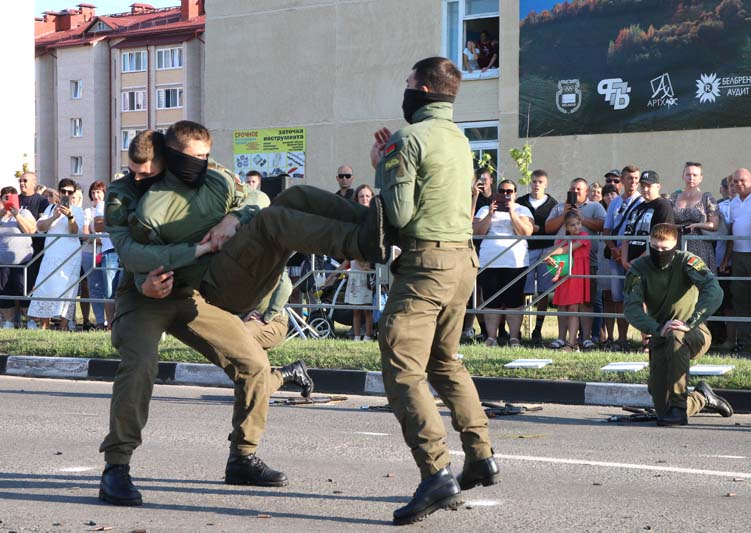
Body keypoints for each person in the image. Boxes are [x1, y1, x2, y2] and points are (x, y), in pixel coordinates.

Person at [98, 130, 315, 506]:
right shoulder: (122, 195)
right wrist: (189, 253)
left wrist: (234, 216)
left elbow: (257, 197)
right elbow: (131, 253)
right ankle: (116, 467)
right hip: (145, 295)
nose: (137, 179)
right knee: (140, 364)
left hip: (193, 295)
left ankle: (242, 458)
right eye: (133, 171)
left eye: (145, 173)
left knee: (253, 364)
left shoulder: (205, 174)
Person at [370, 57, 498, 526]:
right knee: (444, 361)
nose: (403, 91)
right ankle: (480, 454)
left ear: (422, 88)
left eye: (407, 84)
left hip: (425, 265)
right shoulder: (460, 138)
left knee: (403, 366)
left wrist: (383, 165)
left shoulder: (409, 139)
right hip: (462, 261)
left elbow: (398, 214)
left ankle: (436, 470)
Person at [623, 223, 732, 426]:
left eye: (665, 248)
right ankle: (702, 397)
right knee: (662, 408)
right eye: (655, 247)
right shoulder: (640, 268)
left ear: (675, 245)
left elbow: (714, 290)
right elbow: (632, 307)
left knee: (676, 335)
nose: (660, 252)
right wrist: (655, 328)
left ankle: (680, 407)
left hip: (694, 332)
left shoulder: (687, 261)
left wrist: (691, 323)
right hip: (660, 334)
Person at [545, 178, 606, 350]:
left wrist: (581, 218)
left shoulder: (595, 207)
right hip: (564, 268)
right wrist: (564, 215)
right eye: (573, 188)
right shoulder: (559, 207)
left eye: (579, 189)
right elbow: (549, 228)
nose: (576, 191)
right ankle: (562, 337)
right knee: (563, 303)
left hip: (583, 267)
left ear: (586, 191)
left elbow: (602, 225)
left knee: (584, 303)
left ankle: (582, 338)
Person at [474, 179, 534, 347]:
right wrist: (490, 215)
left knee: (514, 302)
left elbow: (526, 232)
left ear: (515, 193)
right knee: (491, 301)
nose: (505, 195)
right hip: (489, 261)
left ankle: (514, 337)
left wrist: (512, 213)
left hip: (515, 262)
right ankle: (491, 337)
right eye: (502, 191)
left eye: (509, 191)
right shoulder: (485, 209)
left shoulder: (522, 209)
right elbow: (477, 232)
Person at [27, 179, 84, 331]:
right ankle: (44, 325)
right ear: (58, 192)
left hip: (70, 255)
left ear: (73, 193)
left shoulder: (78, 210)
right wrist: (54, 217)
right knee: (46, 286)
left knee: (68, 289)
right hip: (52, 254)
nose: (66, 194)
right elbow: (39, 227)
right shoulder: (50, 208)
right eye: (63, 191)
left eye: (69, 192)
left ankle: (63, 326)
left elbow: (75, 233)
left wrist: (70, 217)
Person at [603, 165, 642, 351]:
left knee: (641, 298)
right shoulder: (614, 203)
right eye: (629, 178)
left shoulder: (643, 202)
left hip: (637, 257)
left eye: (636, 178)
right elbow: (607, 229)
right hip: (616, 257)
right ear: (622, 181)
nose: (633, 182)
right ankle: (622, 338)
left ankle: (646, 340)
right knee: (618, 298)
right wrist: (613, 249)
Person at [518, 169, 558, 345]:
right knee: (522, 289)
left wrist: (538, 230)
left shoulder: (553, 204)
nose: (536, 185)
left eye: (540, 182)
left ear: (546, 183)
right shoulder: (521, 202)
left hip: (546, 250)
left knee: (544, 291)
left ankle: (538, 329)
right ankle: (517, 328)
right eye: (534, 181)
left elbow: (554, 227)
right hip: (526, 250)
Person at [545, 211, 591, 351]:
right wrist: (550, 259)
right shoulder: (562, 239)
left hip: (578, 274)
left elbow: (567, 250)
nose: (576, 227)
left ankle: (571, 342)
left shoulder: (584, 236)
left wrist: (550, 253)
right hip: (565, 276)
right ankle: (561, 337)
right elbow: (558, 254)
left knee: (573, 307)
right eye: (572, 225)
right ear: (566, 227)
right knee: (562, 306)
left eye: (578, 224)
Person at [720, 168, 751, 354]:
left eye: (743, 180)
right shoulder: (733, 203)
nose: (739, 184)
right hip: (738, 256)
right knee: (740, 299)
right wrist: (726, 259)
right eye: (736, 181)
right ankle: (744, 341)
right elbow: (731, 234)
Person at [669, 162, 720, 272]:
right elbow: (668, 222)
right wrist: (680, 227)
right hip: (678, 243)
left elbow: (714, 225)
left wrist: (696, 225)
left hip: (700, 245)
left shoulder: (707, 197)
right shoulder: (674, 197)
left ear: (701, 178)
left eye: (695, 175)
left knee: (700, 280)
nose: (691, 178)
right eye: (688, 174)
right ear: (683, 176)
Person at [342, 184, 376, 340]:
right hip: (356, 267)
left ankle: (368, 336)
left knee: (368, 309)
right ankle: (356, 336)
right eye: (361, 196)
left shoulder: (375, 217)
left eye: (367, 196)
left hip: (368, 269)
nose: (364, 199)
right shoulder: (354, 218)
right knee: (355, 308)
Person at [16, 172, 50, 329]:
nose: (22, 183)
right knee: (15, 285)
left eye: (25, 181)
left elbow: (41, 225)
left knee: (30, 286)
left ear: (34, 183)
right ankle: (15, 319)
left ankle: (32, 319)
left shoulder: (41, 201)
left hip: (35, 250)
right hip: (16, 250)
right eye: (20, 180)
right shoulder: (15, 199)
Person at [0, 186, 36, 328]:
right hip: (3, 262)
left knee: (25, 291)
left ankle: (30, 321)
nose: (8, 200)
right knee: (4, 292)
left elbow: (31, 230)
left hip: (23, 261)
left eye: (11, 197)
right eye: (5, 197)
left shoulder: (24, 212)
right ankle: (9, 322)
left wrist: (17, 215)